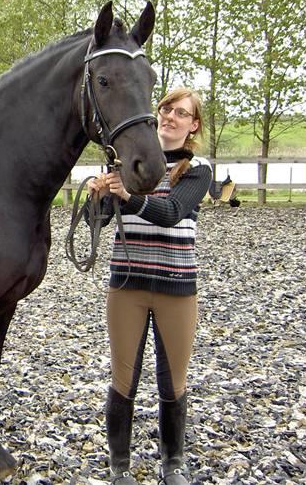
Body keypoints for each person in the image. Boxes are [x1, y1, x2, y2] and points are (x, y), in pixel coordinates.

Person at [84, 88, 212, 485]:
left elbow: (173, 213)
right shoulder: (125, 163)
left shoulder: (198, 169)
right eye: (165, 109)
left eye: (181, 113)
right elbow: (98, 223)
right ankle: (118, 465)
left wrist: (128, 196)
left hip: (177, 288)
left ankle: (173, 461)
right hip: (127, 286)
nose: (171, 116)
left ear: (193, 126)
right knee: (123, 380)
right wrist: (96, 197)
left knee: (172, 382)